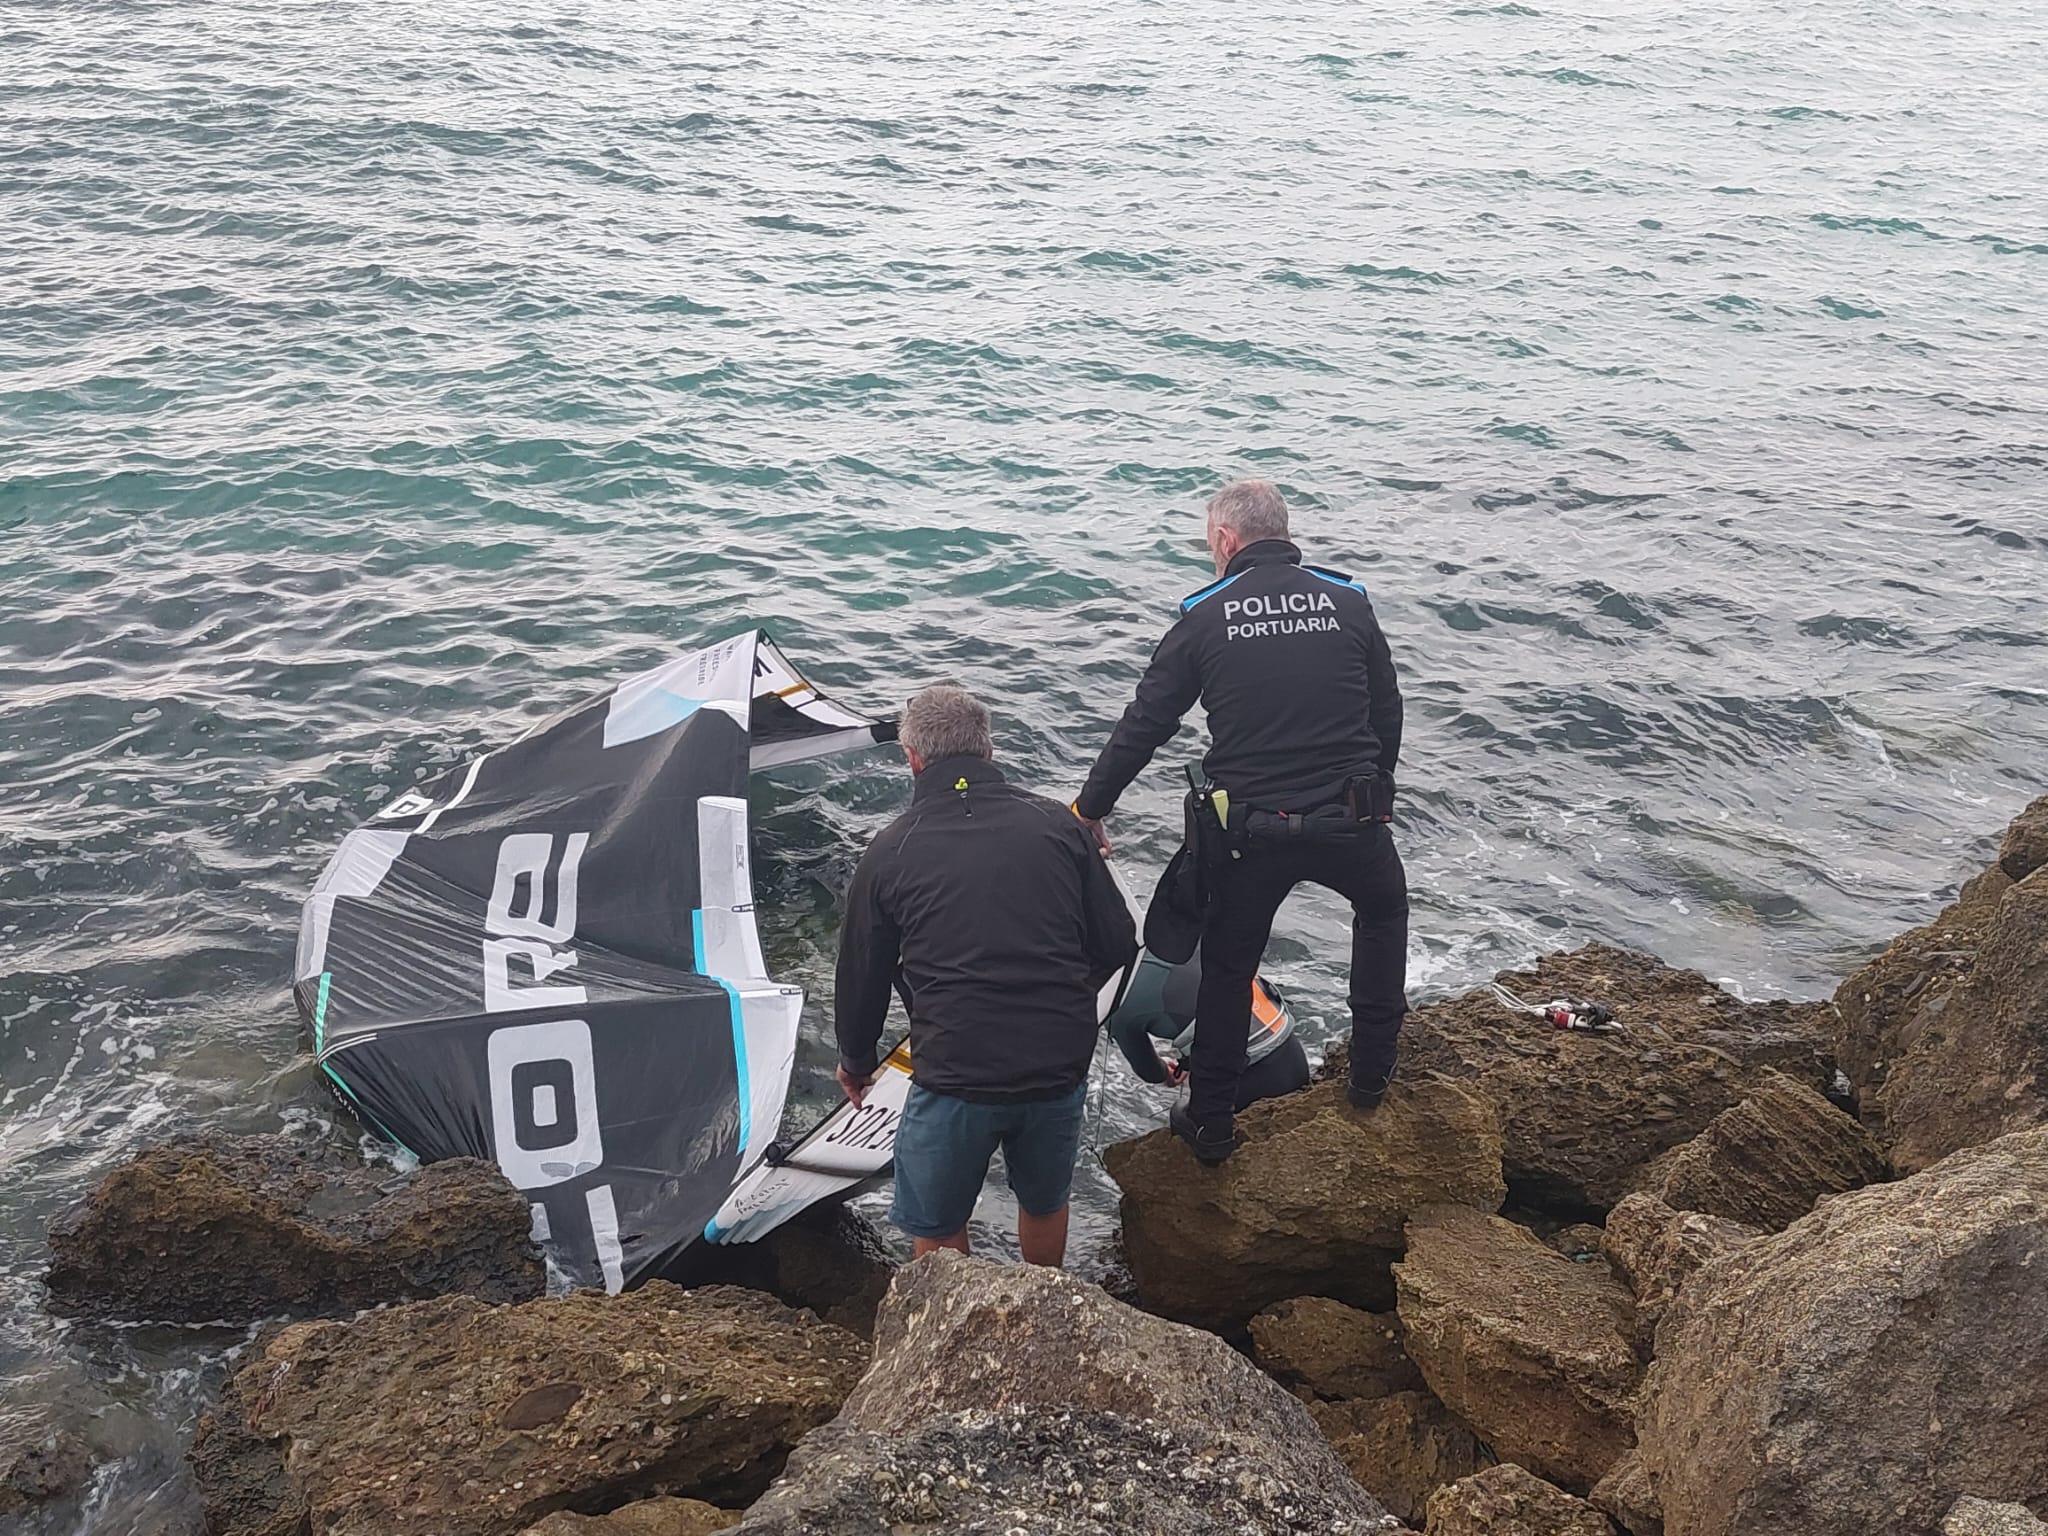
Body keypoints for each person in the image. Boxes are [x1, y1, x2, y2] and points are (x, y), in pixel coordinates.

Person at [1073, 478, 1407, 1163]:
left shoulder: (1204, 615)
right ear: (1282, 530)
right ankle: (1372, 1083)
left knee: (1228, 970)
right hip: (1352, 821)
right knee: (1381, 917)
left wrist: (1090, 808)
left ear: (1225, 540)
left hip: (1252, 834)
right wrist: (1381, 791)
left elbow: (1146, 724)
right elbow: (1387, 708)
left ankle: (1213, 1123)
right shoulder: (1348, 600)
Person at [835, 684, 1137, 1265]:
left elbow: (861, 977)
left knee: (938, 1223)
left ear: (912, 758)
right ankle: (1047, 1313)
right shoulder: (1058, 826)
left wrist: (855, 1061)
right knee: (1045, 1202)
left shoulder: (890, 849)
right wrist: (1063, 994)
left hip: (956, 1070)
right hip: (1056, 1061)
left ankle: (948, 1337)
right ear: (990, 751)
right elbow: (1118, 943)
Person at [1105, 949, 1311, 1109]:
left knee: (1184, 1119)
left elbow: (1150, 1072)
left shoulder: (1115, 1001)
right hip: (1294, 1054)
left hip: (1247, 1085)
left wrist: (1166, 1073)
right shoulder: (1177, 935)